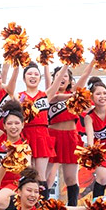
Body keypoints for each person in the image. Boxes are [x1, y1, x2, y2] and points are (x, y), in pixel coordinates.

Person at [45, 62, 95, 206]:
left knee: (70, 178)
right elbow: (52, 94)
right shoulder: (50, 92)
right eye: (58, 76)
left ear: (69, 79)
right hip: (52, 137)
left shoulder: (73, 92)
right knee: (47, 178)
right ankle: (42, 208)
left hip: (70, 138)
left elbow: (85, 75)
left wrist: (93, 60)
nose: (62, 78)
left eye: (65, 76)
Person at [18, 63, 67, 195]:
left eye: (36, 74)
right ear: (23, 78)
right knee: (27, 174)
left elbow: (57, 81)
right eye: (29, 74)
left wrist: (67, 63)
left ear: (40, 78)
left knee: (40, 176)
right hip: (25, 135)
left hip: (41, 136)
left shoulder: (46, 94)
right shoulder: (19, 97)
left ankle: (43, 208)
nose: (33, 76)